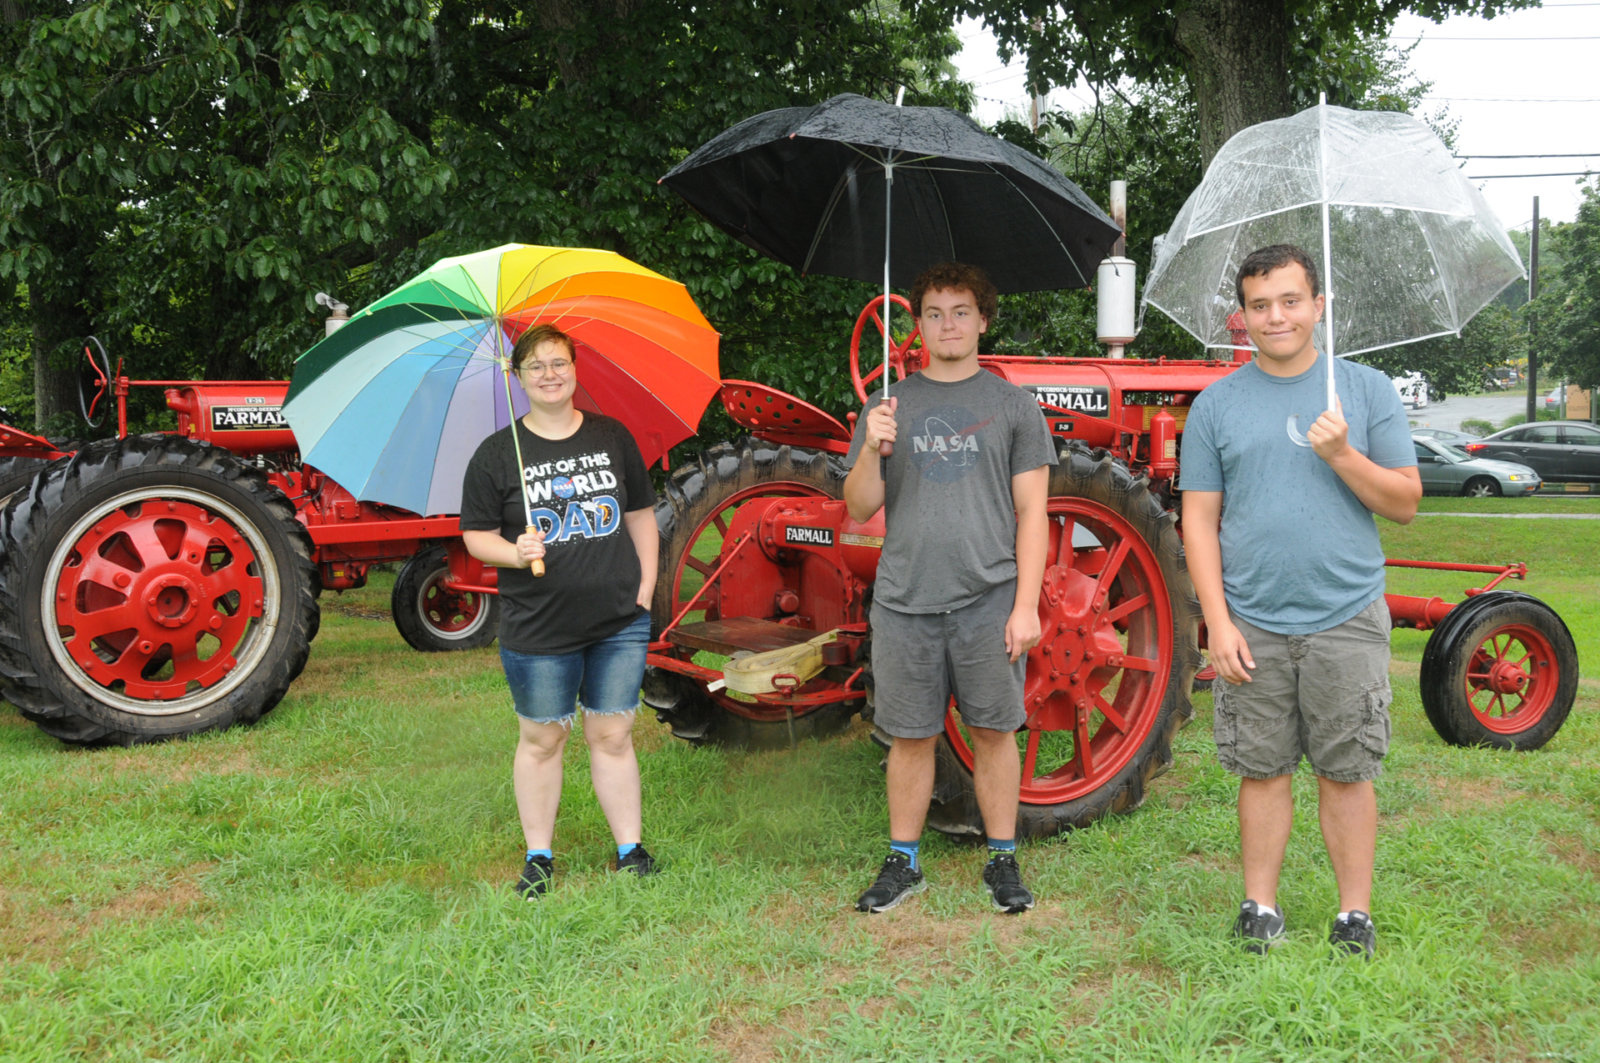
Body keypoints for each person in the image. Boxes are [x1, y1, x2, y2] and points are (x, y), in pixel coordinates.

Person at [1181, 244, 1421, 957]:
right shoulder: (1216, 405)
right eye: (1260, 304)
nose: (1275, 316)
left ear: (1319, 305)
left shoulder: (1366, 391)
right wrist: (1217, 622)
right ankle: (1260, 904)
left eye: (1290, 300)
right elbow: (1198, 517)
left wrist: (1344, 453)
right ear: (1242, 316)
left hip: (1344, 614)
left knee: (1347, 769)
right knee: (1262, 768)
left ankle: (1354, 913)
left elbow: (1405, 502)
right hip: (1252, 618)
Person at [842, 262, 1057, 915]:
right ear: (918, 326)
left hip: (987, 598)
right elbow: (857, 506)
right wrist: (869, 449)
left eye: (961, 311)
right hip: (905, 599)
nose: (948, 325)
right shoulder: (888, 407)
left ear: (983, 320)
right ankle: (903, 862)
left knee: (993, 730)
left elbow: (1034, 513)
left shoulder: (1012, 407)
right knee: (909, 735)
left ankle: (1002, 858)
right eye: (934, 313)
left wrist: (1025, 606)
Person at [460, 323, 661, 899]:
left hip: (619, 621)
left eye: (559, 363)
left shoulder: (611, 436)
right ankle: (539, 857)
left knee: (614, 734)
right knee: (543, 739)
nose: (549, 374)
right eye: (536, 366)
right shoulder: (497, 455)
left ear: (575, 369)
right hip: (538, 627)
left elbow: (640, 515)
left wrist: (644, 586)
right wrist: (516, 553)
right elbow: (475, 536)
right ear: (517, 377)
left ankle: (630, 850)